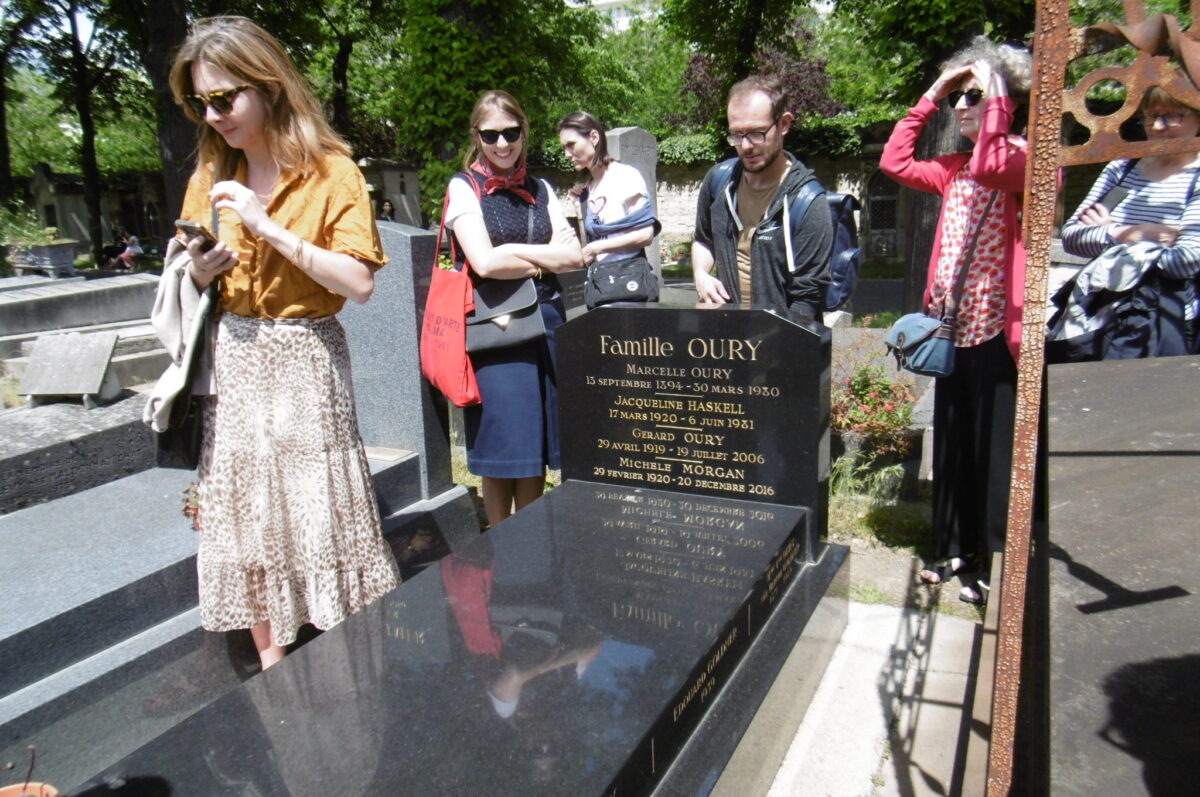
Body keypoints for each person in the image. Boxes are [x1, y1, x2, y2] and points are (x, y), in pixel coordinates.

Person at [165, 16, 399, 669]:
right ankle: (271, 661)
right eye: (199, 103)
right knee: (249, 513)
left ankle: (340, 648)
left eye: (224, 98)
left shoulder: (331, 172)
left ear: (267, 86)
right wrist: (200, 267)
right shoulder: (212, 171)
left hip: (305, 352)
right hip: (236, 352)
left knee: (315, 505)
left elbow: (358, 282)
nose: (212, 116)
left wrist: (267, 226)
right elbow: (190, 263)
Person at [880, 37, 1032, 605]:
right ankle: (952, 549)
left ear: (1005, 99)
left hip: (997, 332)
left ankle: (995, 560)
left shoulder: (1024, 160)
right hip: (950, 329)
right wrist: (933, 93)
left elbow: (996, 163)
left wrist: (993, 88)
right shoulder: (953, 168)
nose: (960, 107)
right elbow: (894, 161)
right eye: (957, 98)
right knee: (954, 446)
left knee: (993, 451)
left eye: (971, 96)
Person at [444, 90, 582, 527]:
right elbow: (483, 262)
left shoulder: (542, 189)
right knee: (505, 446)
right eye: (491, 135)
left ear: (524, 131)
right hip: (494, 328)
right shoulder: (463, 188)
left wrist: (513, 257)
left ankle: (532, 535)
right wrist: (540, 254)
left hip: (546, 324)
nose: (502, 144)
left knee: (537, 444)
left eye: (511, 132)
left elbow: (574, 256)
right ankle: (501, 542)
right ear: (477, 136)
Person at [1059, 84, 1200, 357]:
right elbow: (1072, 237)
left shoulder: (1197, 177)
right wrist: (1131, 234)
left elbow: (1188, 259)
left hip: (1166, 323)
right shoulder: (1123, 169)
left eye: (1173, 115)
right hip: (1099, 316)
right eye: (1151, 116)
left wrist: (1104, 233)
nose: (1158, 126)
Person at [692, 73, 832, 324]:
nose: (745, 146)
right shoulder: (719, 182)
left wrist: (767, 352)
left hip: (782, 341)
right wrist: (700, 273)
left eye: (757, 133)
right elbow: (703, 240)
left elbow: (807, 300)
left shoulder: (807, 200)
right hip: (729, 339)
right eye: (737, 134)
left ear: (784, 124)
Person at [558, 111, 660, 308]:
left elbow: (645, 235)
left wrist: (598, 247)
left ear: (594, 137)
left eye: (571, 145)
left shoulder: (625, 176)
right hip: (600, 285)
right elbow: (589, 249)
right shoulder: (589, 187)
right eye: (564, 147)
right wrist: (580, 210)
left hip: (629, 285)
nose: (567, 154)